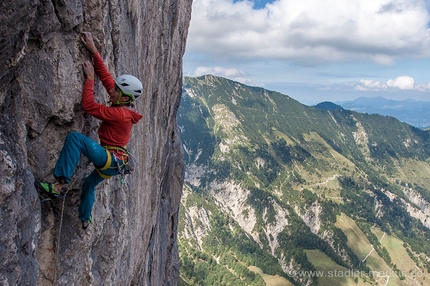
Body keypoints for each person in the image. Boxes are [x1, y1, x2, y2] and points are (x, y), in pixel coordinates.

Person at [35, 32, 143, 229]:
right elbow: (108, 78)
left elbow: (88, 106)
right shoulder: (123, 104)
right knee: (89, 184)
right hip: (115, 162)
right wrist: (94, 51)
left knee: (75, 139)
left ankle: (58, 186)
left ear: (125, 98)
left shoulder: (120, 114)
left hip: (110, 158)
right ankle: (85, 219)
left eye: (116, 91)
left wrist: (89, 79)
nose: (112, 91)